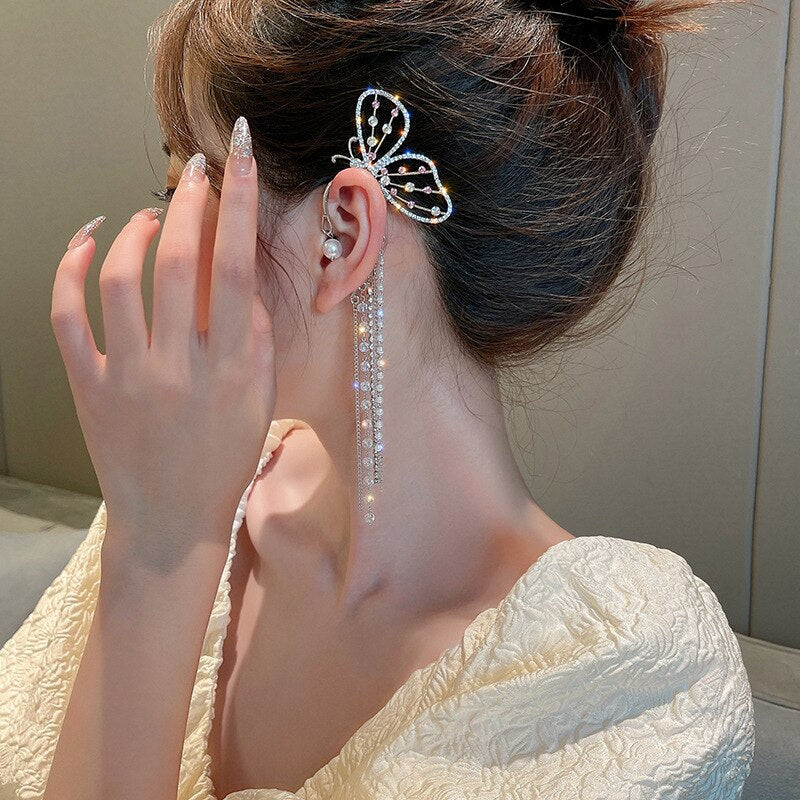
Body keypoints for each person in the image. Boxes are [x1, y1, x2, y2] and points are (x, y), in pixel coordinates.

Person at [0, 1, 755, 798]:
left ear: (345, 234)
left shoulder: (621, 677)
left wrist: (161, 558)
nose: (167, 234)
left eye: (196, 182)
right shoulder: (196, 477)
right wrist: (161, 532)